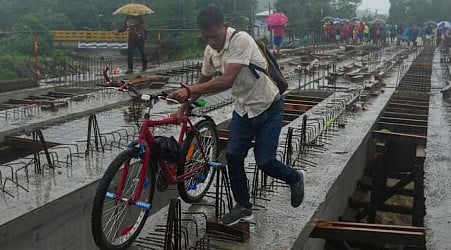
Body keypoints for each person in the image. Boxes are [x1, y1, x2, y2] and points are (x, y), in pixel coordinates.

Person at [168, 6, 304, 226]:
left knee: (265, 161)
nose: (212, 41)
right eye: (206, 37)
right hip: (243, 110)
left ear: (225, 26)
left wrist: (189, 90)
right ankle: (243, 206)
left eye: (215, 35)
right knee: (233, 156)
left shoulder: (241, 40)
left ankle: (295, 178)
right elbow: (204, 81)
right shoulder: (210, 51)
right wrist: (185, 106)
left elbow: (227, 80)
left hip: (269, 108)